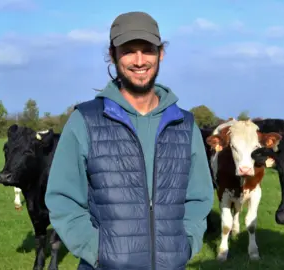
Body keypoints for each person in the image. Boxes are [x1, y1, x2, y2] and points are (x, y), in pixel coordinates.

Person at [44, 11, 215, 269]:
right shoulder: (86, 120)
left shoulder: (184, 124)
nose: (139, 61)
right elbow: (62, 199)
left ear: (161, 54)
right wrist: (98, 252)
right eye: (128, 51)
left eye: (147, 50)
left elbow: (199, 198)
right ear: (112, 55)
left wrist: (186, 244)